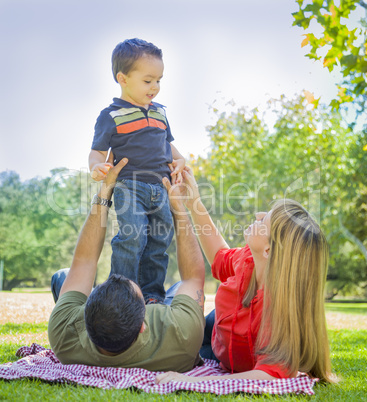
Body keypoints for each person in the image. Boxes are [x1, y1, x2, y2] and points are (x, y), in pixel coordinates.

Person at [156, 167, 334, 384]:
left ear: (268, 251)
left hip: (221, 351)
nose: (257, 215)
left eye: (263, 221)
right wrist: (194, 202)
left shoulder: (277, 314)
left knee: (175, 323)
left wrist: (194, 381)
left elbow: (268, 375)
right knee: (178, 297)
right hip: (218, 329)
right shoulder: (249, 258)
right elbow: (219, 256)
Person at [48, 159, 205, 372]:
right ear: (143, 324)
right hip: (165, 325)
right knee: (179, 288)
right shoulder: (182, 335)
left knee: (63, 276)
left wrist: (105, 192)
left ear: (85, 314)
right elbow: (193, 277)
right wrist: (178, 207)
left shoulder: (64, 335)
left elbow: (84, 262)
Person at [88, 38, 185, 304]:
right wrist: (97, 167)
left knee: (158, 243)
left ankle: (152, 294)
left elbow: (168, 145)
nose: (155, 87)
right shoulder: (111, 115)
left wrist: (182, 160)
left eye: (159, 80)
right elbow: (97, 152)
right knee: (133, 237)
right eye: (148, 80)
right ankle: (123, 293)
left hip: (161, 188)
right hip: (130, 186)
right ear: (123, 78)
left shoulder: (160, 113)